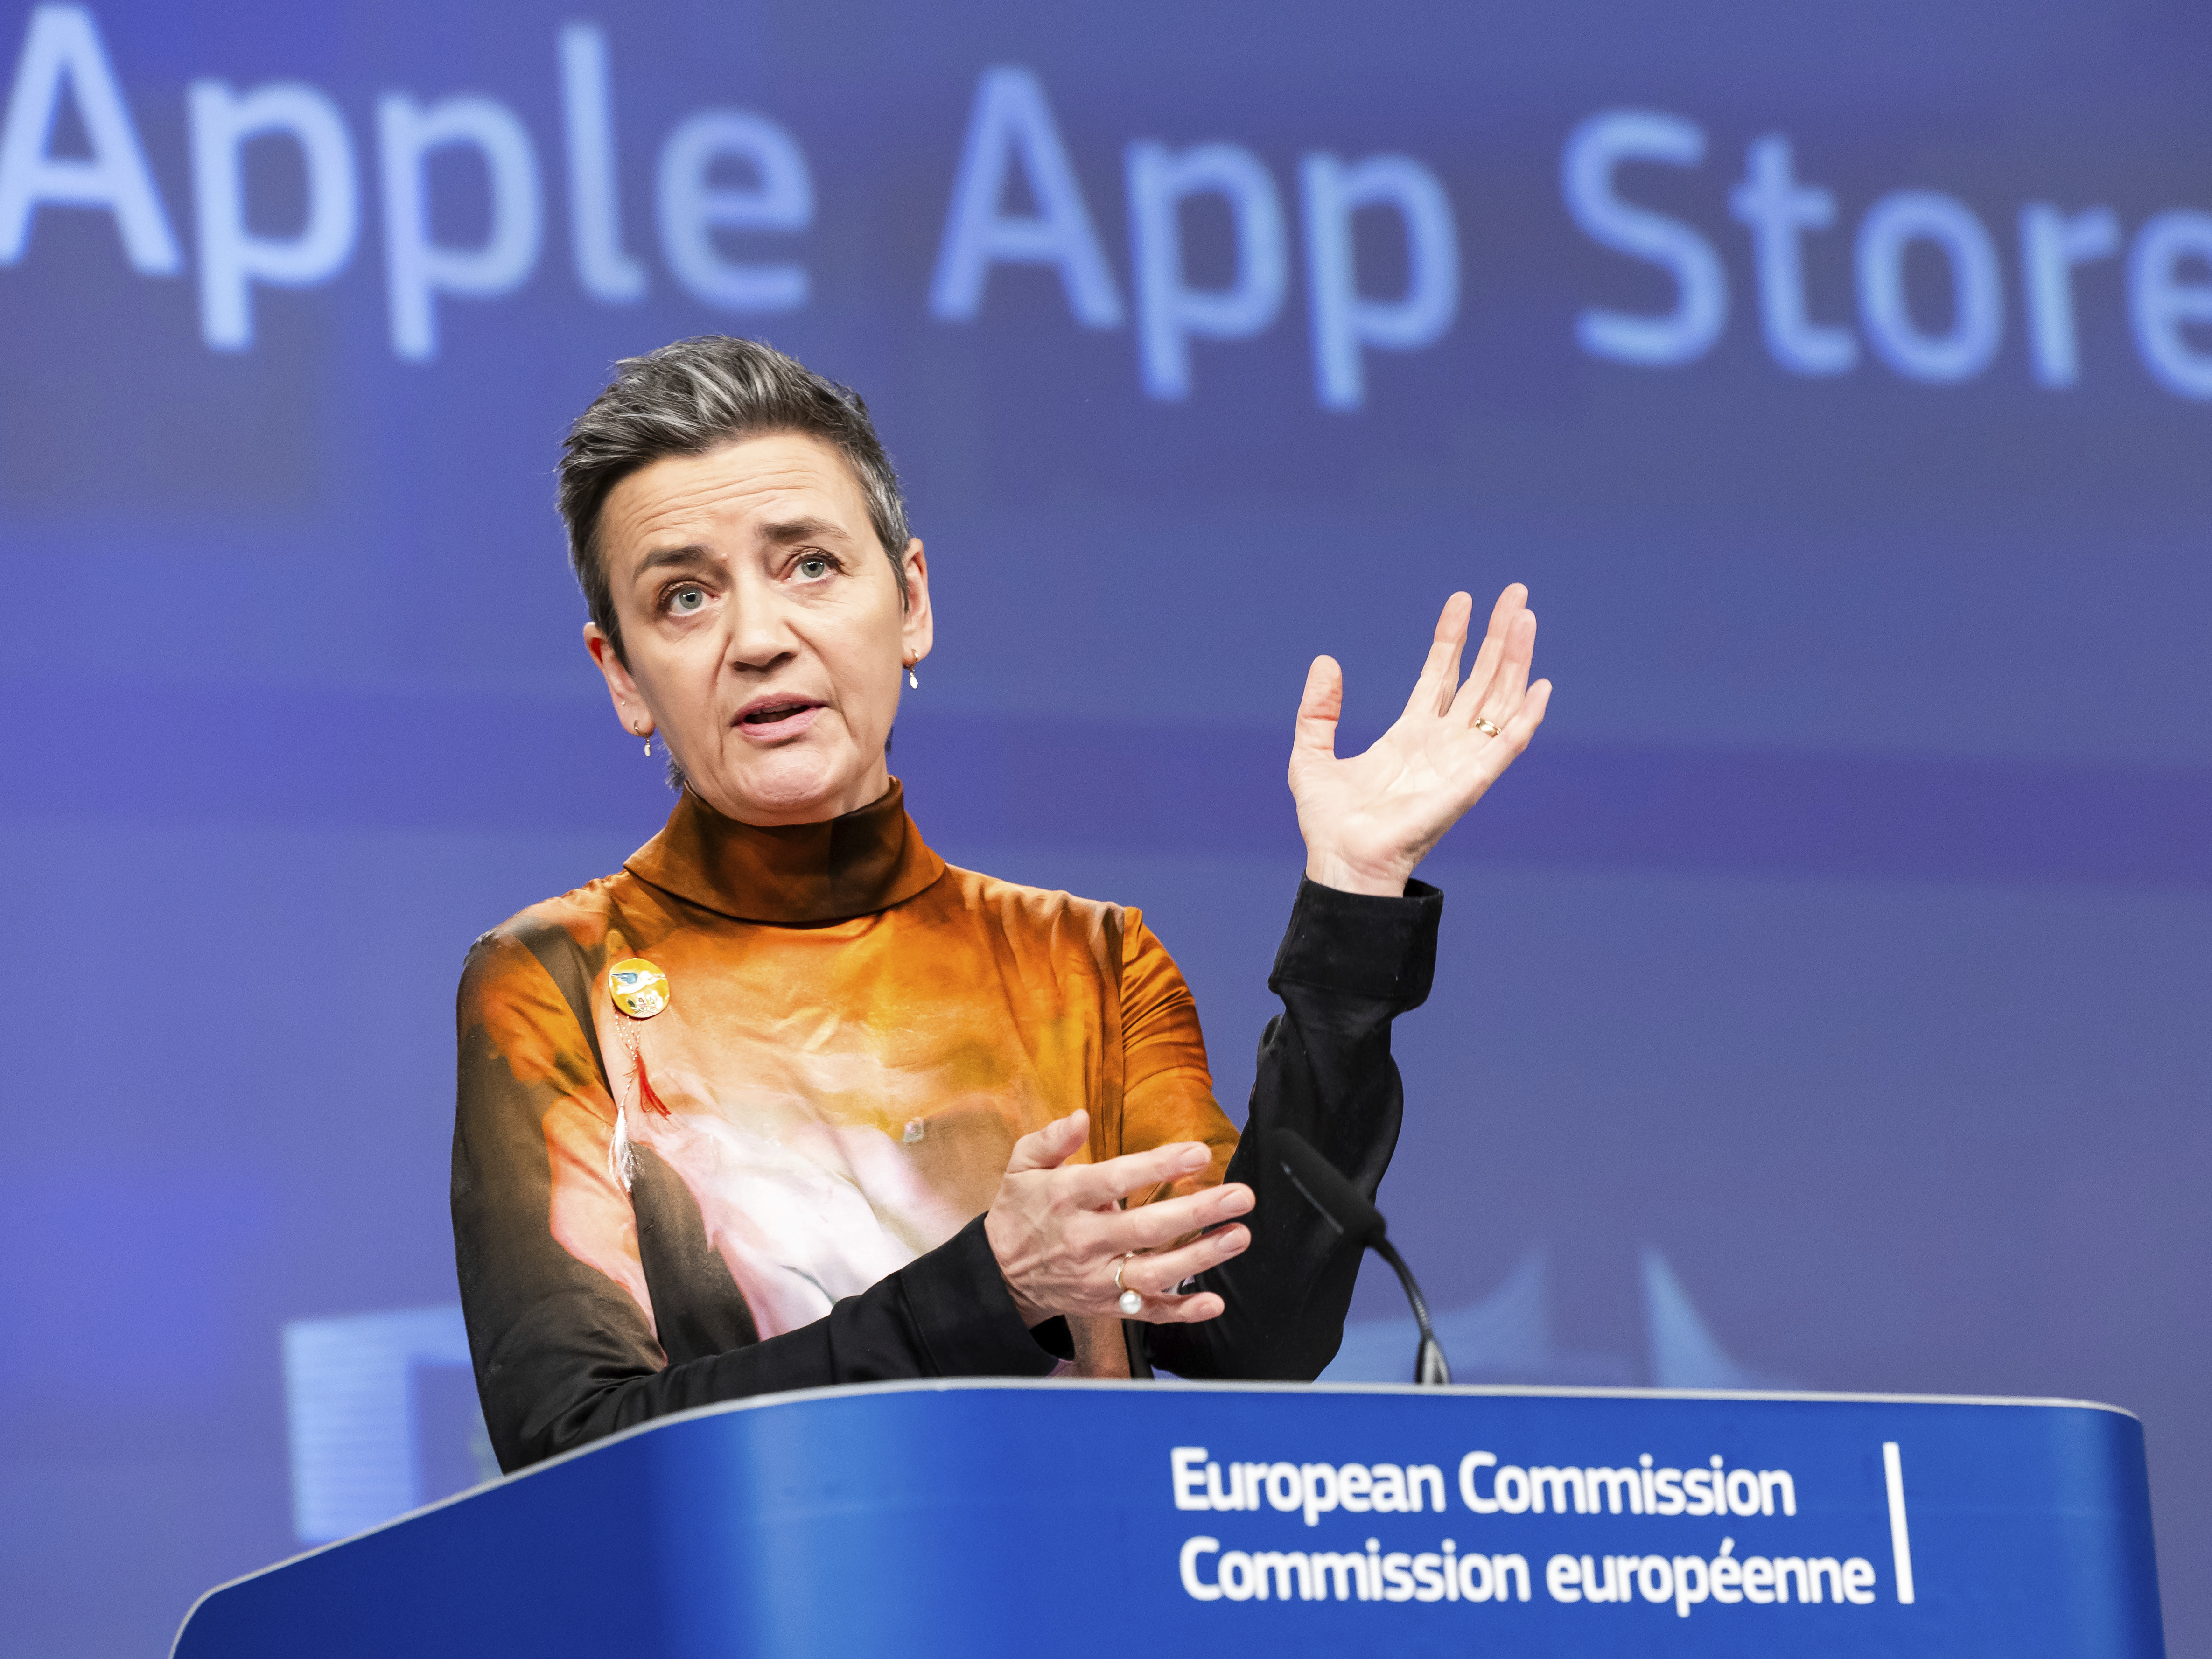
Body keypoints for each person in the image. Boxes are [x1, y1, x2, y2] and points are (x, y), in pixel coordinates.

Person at [452, 336, 1550, 1472]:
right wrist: (993, 1284)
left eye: (812, 566)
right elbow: (569, 1443)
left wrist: (1354, 904)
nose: (760, 637)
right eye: (684, 596)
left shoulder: (1087, 958)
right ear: (622, 673)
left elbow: (1253, 1332)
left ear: (912, 601)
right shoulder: (555, 978)